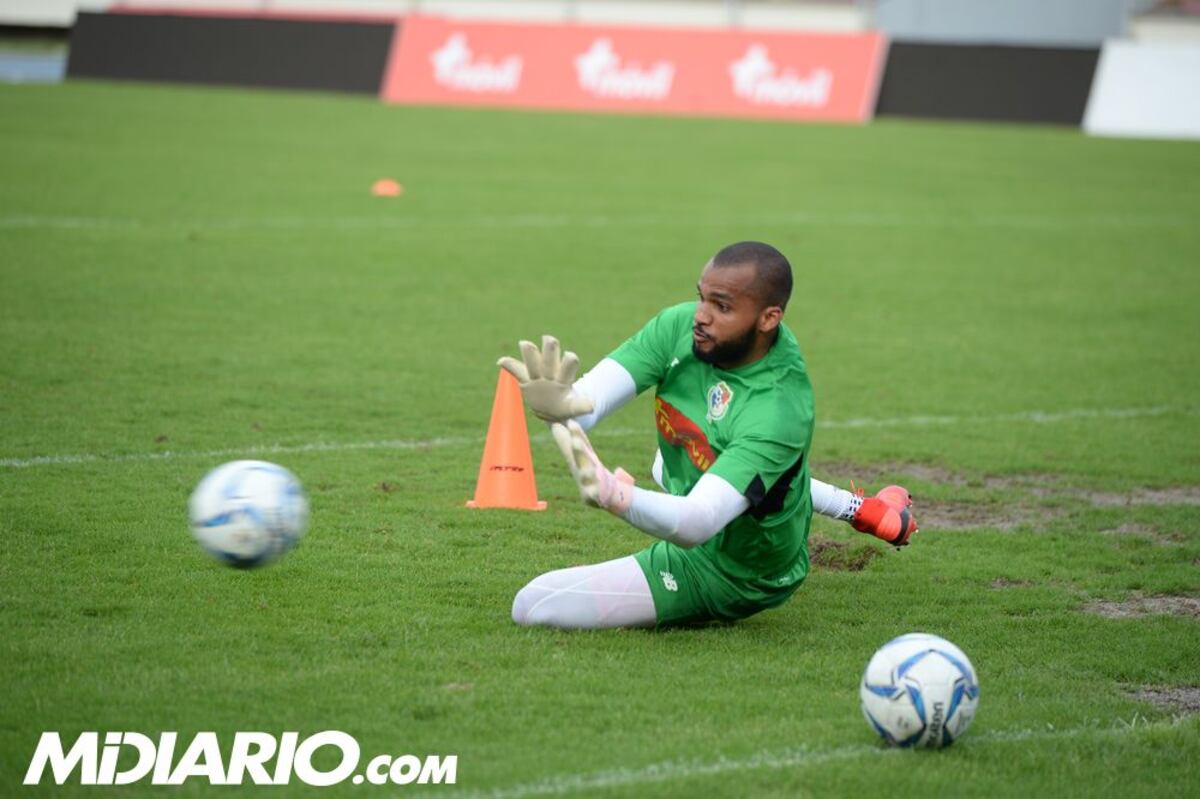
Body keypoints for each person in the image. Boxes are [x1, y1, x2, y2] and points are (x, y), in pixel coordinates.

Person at [499, 241, 916, 630]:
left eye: (722, 306)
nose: (701, 314)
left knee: (534, 604)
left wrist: (616, 496)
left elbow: (696, 523)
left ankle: (866, 513)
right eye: (702, 297)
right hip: (717, 496)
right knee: (668, 462)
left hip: (739, 570)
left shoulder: (779, 409)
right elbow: (586, 404)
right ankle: (868, 511)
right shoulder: (680, 326)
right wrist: (560, 404)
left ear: (768, 318)